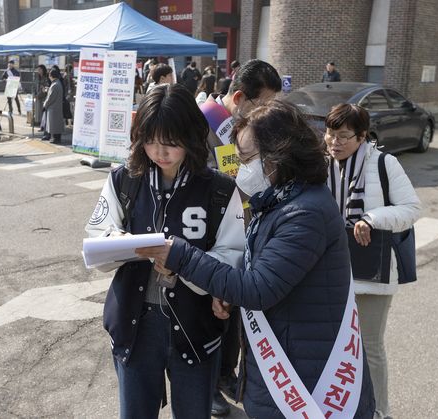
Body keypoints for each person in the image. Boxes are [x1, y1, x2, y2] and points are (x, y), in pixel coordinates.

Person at [137, 99, 376, 419]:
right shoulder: (281, 200)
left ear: (280, 153)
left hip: (309, 382)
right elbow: (270, 272)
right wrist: (229, 294)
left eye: (247, 158)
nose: (239, 168)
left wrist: (179, 254)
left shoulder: (305, 213)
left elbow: (258, 288)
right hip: (288, 362)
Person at [85, 83, 245, 419]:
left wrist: (183, 266)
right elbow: (97, 236)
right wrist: (118, 240)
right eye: (151, 141)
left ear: (190, 136)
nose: (160, 152)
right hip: (135, 325)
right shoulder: (123, 181)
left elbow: (233, 256)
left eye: (171, 142)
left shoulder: (219, 189)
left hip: (195, 326)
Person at [324, 104, 421, 419]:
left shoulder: (383, 163)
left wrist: (371, 218)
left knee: (369, 346)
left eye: (343, 136)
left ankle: (380, 411)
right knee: (335, 345)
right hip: (332, 271)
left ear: (362, 136)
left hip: (371, 272)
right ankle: (344, 405)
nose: (334, 142)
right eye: (330, 134)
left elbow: (411, 209)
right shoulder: (323, 165)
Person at [199, 58, 282, 416]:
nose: (268, 112)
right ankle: (206, 386)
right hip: (207, 235)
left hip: (244, 231)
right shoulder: (205, 120)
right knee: (205, 314)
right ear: (239, 97)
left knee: (232, 315)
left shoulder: (250, 128)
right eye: (263, 103)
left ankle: (225, 374)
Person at [42, 68, 65, 144]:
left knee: (53, 125)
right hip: (57, 107)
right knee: (56, 124)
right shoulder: (58, 83)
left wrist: (45, 105)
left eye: (49, 75)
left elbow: (50, 98)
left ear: (51, 76)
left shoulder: (54, 85)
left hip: (53, 108)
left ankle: (55, 139)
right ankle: (56, 138)